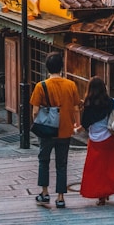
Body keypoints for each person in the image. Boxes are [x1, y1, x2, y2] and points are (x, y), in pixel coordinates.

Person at [30, 52, 81, 209]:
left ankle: (44, 193)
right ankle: (60, 197)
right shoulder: (70, 85)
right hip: (65, 130)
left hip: (47, 131)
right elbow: (76, 107)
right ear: (61, 67)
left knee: (44, 161)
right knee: (62, 164)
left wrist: (39, 123)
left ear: (47, 68)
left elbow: (35, 111)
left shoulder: (41, 86)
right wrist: (76, 124)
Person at [76, 76, 114, 206]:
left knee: (95, 170)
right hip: (109, 139)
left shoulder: (88, 106)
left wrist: (74, 130)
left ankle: (101, 196)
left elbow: (84, 126)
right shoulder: (112, 102)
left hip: (95, 141)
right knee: (110, 168)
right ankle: (107, 191)